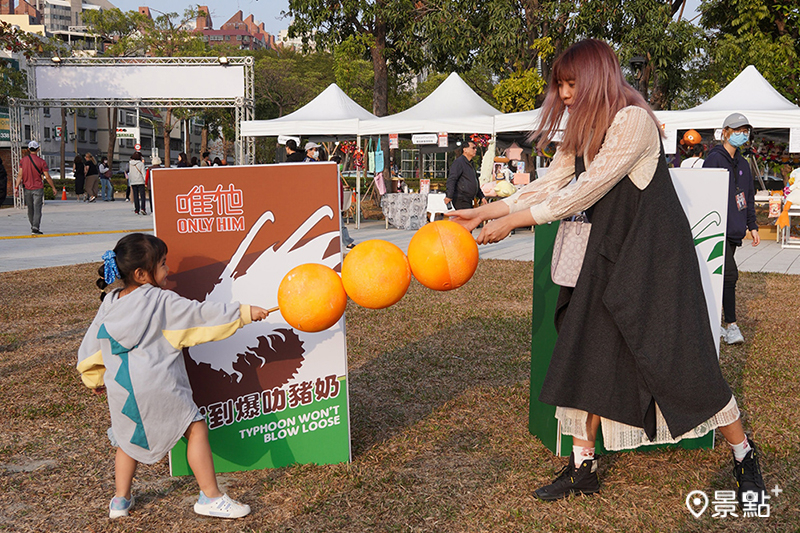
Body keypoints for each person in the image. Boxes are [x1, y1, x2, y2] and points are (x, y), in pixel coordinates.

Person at [448, 39, 765, 506]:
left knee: (683, 361)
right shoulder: (582, 127)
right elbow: (552, 183)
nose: (566, 92)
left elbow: (586, 190)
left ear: (598, 76)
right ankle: (583, 467)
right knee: (587, 355)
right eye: (560, 84)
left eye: (572, 82)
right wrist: (485, 212)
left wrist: (512, 223)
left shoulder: (633, 122)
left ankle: (743, 454)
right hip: (604, 258)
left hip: (654, 261)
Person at [77, 233, 270, 519]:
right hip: (160, 385)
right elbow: (201, 316)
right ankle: (210, 496)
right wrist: (243, 313)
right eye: (163, 264)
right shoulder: (160, 301)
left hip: (123, 390)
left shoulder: (110, 303)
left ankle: (120, 501)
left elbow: (92, 348)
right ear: (142, 274)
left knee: (125, 440)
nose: (168, 270)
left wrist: (94, 378)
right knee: (195, 428)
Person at [703, 113, 760, 345]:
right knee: (730, 275)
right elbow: (704, 192)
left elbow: (748, 197)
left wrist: (753, 225)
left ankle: (713, 321)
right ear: (725, 131)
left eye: (745, 130)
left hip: (735, 230)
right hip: (716, 228)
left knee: (720, 278)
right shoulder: (714, 159)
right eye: (737, 130)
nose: (742, 134)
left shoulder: (745, 165)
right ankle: (732, 325)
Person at [14, 140, 58, 235]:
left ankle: (32, 225)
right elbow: (47, 177)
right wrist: (53, 187)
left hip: (27, 188)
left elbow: (20, 175)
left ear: (29, 149)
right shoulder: (42, 162)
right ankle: (35, 227)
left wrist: (16, 188)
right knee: (37, 208)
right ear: (38, 149)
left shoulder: (23, 161)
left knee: (30, 208)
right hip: (38, 188)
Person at [445, 140, 486, 209]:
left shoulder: (471, 163)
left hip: (469, 198)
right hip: (461, 198)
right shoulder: (459, 162)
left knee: (468, 218)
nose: (475, 150)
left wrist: (481, 196)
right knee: (467, 218)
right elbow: (452, 179)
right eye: (473, 148)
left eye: (476, 148)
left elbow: (475, 181)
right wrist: (449, 195)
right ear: (465, 150)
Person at [330, 155, 356, 250]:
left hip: (337, 203)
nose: (341, 165)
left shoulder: (336, 174)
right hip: (334, 203)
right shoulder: (332, 174)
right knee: (341, 225)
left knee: (340, 225)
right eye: (340, 163)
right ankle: (347, 242)